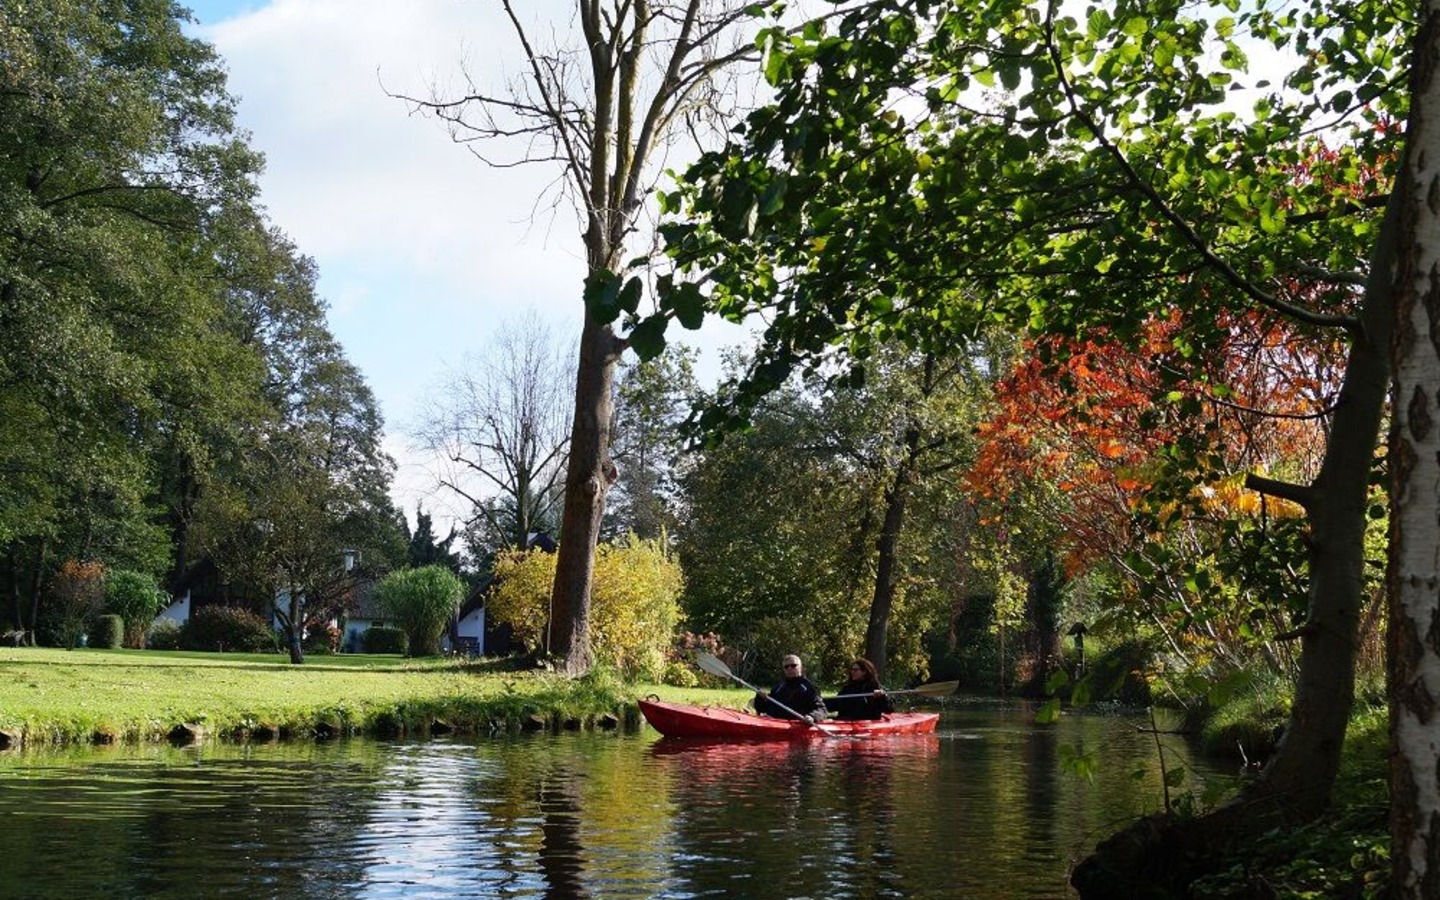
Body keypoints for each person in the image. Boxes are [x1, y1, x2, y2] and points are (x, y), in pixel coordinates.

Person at [753, 654, 828, 722]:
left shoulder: (810, 688)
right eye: (786, 667)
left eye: (793, 666)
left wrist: (812, 716)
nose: (789, 668)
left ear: (801, 668)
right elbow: (762, 709)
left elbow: (822, 709)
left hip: (797, 726)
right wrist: (760, 698)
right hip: (776, 724)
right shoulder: (778, 688)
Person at [827, 658, 895, 721]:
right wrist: (819, 702)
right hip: (847, 723)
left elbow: (889, 709)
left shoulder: (874, 687)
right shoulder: (848, 688)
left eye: (855, 670)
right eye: (851, 670)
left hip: (868, 724)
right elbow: (835, 704)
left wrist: (882, 697)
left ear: (864, 672)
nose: (852, 672)